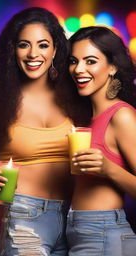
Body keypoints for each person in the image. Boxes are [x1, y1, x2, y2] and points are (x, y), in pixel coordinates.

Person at [0, 7, 102, 256]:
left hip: (77, 219)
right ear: (12, 50)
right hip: (23, 217)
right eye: (24, 45)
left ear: (55, 50)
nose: (33, 54)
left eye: (43, 45)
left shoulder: (77, 99)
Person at [67, 26, 136, 255]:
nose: (79, 69)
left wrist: (109, 169)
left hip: (103, 233)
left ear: (112, 66)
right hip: (78, 231)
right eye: (74, 61)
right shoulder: (85, 119)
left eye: (90, 61)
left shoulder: (122, 115)